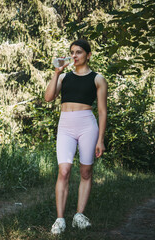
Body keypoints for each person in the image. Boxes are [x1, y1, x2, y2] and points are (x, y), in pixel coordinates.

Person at [44, 39, 108, 234]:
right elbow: (48, 97)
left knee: (86, 172)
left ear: (88, 55)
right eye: (72, 52)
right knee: (63, 171)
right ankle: (60, 219)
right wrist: (56, 73)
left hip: (87, 125)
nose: (74, 56)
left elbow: (103, 111)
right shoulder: (64, 78)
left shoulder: (98, 78)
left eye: (79, 52)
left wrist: (100, 140)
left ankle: (79, 215)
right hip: (65, 125)